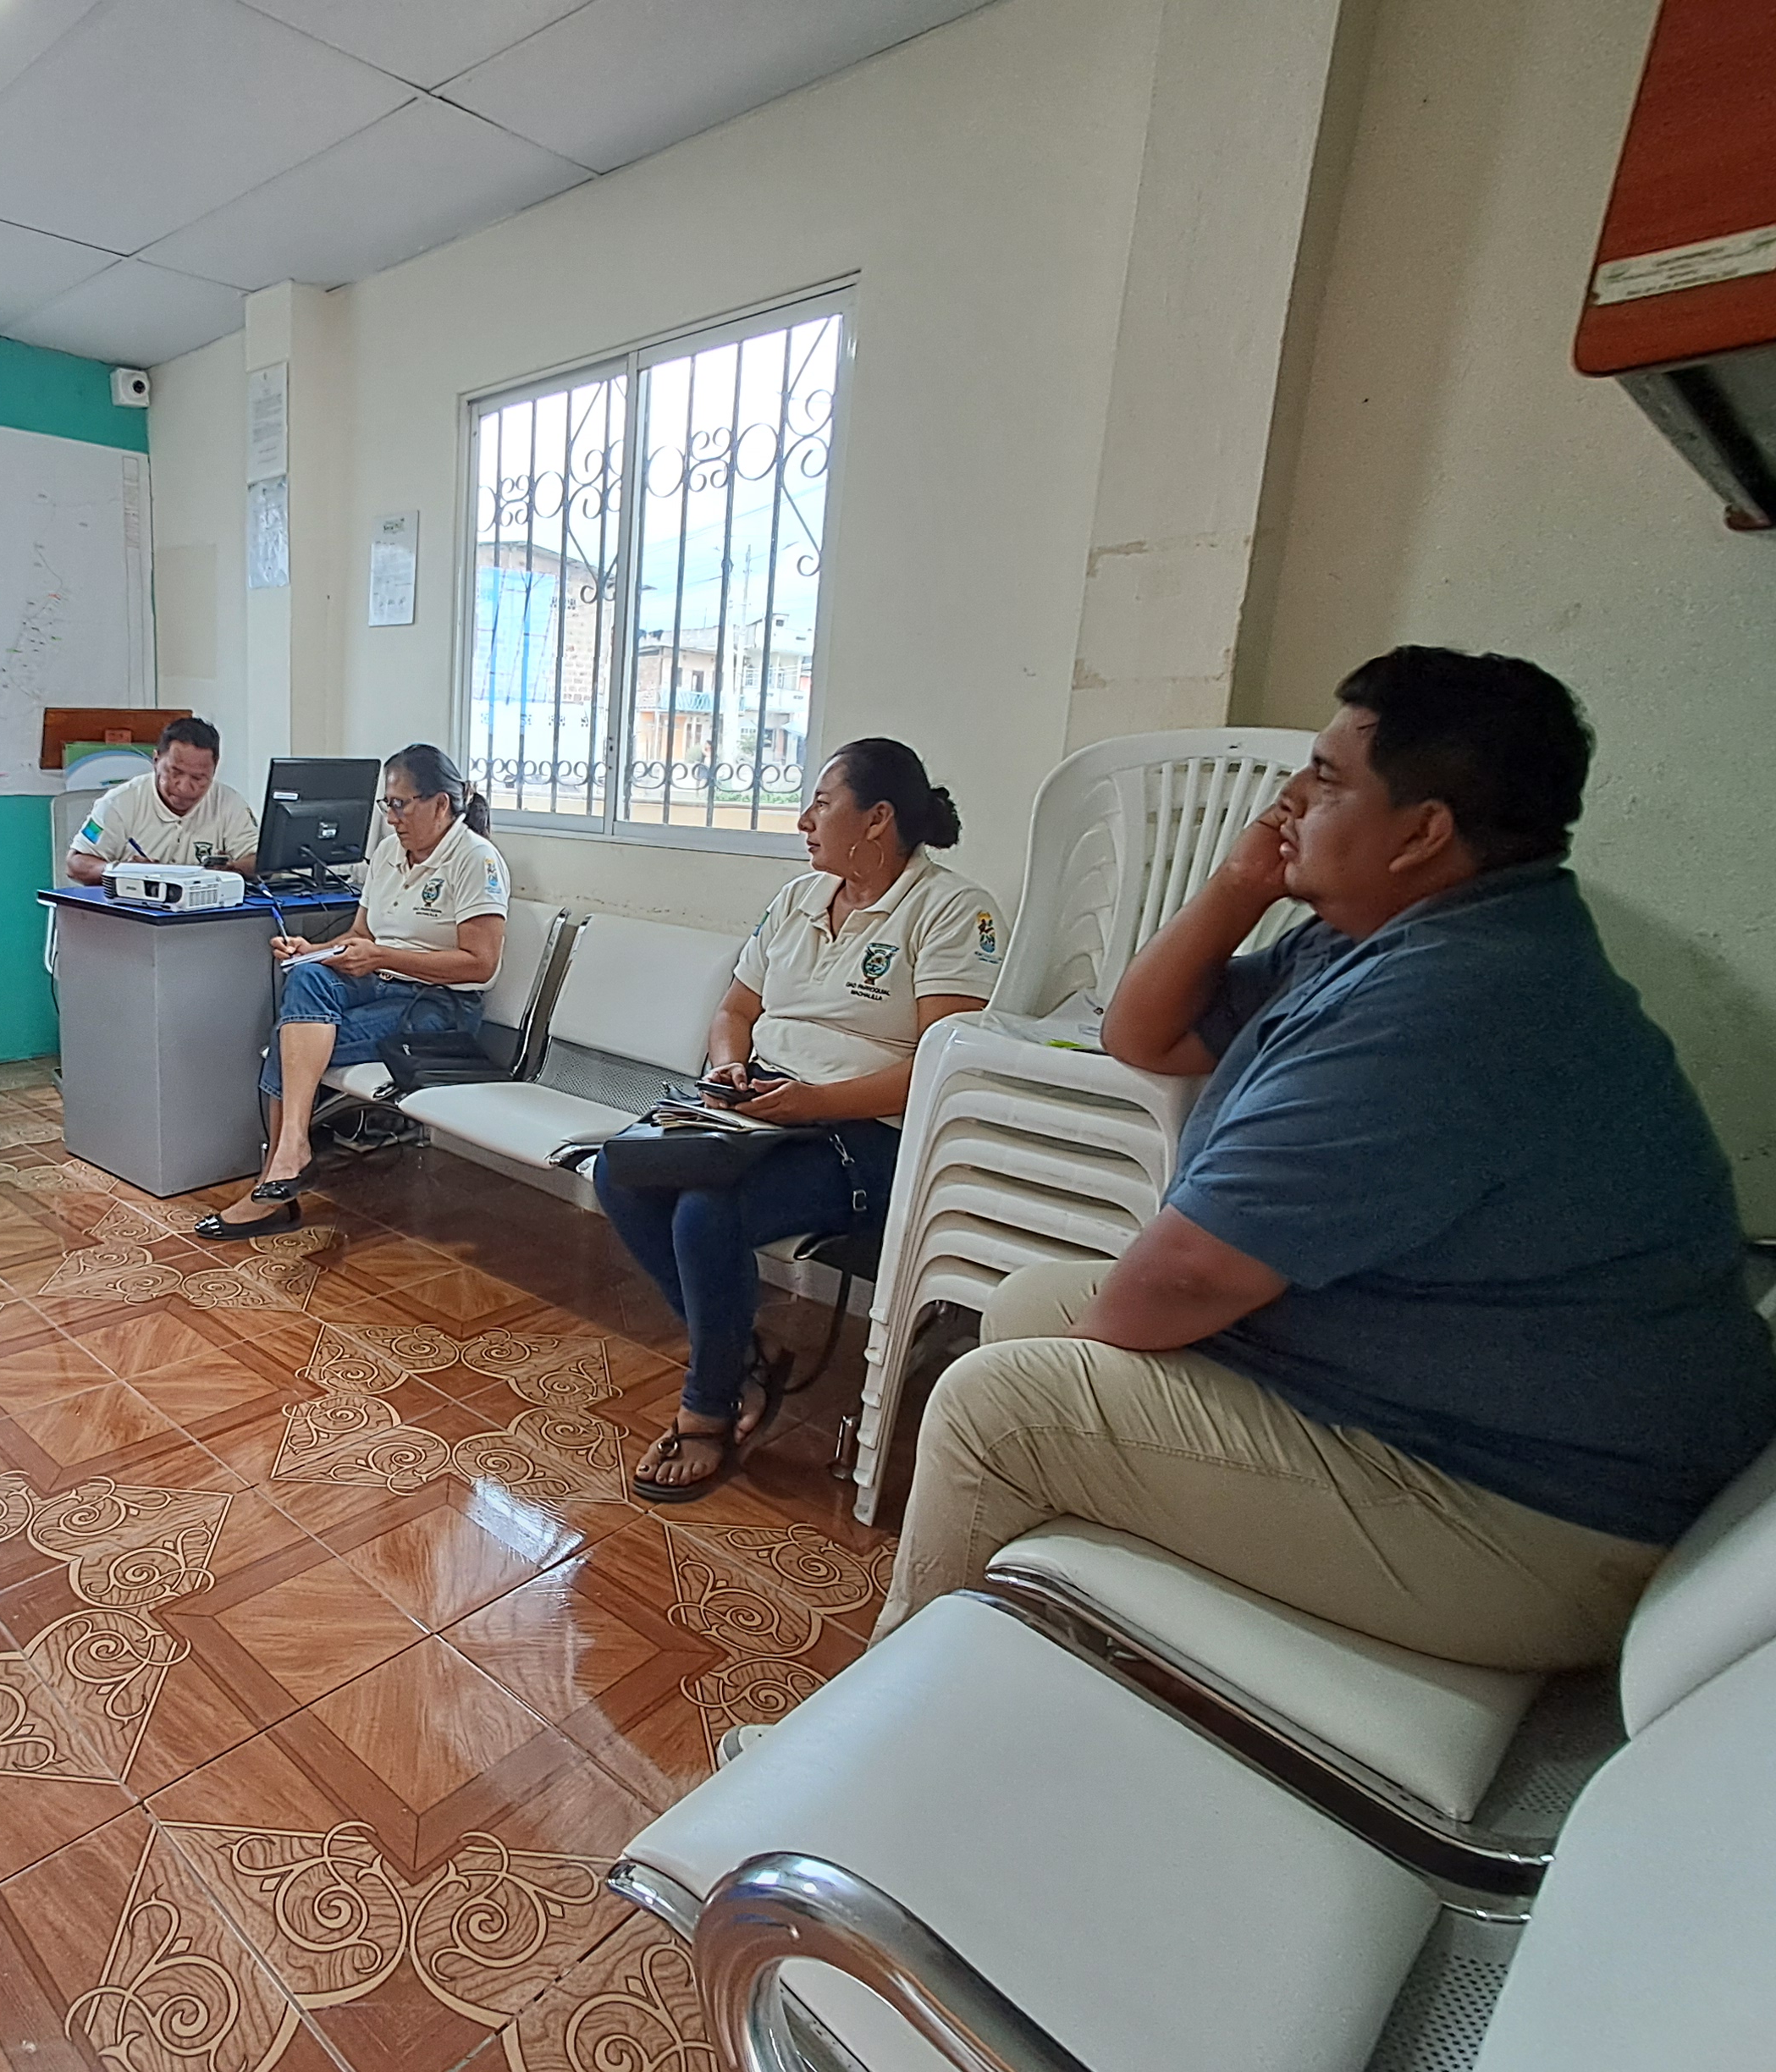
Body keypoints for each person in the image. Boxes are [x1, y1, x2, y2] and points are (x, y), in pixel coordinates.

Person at [874, 648, 1776, 1669]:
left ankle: (888, 1722)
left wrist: (1087, 1382)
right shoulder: (1382, 936)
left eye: (1327, 780)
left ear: (1423, 833)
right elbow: (1143, 1035)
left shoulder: (1453, 1000)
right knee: (1030, 1304)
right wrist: (1238, 883)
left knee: (997, 1410)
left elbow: (1189, 1275)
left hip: (1536, 1517)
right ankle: (1033, 1648)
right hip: (1422, 1397)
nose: (1290, 800)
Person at [599, 741, 1003, 1502]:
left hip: (868, 1135)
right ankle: (741, 1359)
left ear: (877, 818)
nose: (803, 822)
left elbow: (941, 1064)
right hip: (763, 1108)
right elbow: (735, 1012)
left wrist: (812, 1103)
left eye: (821, 804)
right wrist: (729, 1068)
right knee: (618, 1173)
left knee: (705, 1214)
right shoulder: (797, 900)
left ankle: (710, 1407)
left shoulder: (952, 910)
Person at [196, 744, 507, 1241]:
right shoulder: (388, 853)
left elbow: (479, 963)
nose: (391, 818)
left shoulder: (475, 859)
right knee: (307, 977)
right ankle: (291, 1154)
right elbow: (361, 935)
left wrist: (383, 958)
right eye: (387, 804)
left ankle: (278, 1179)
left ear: (440, 804)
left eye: (400, 805)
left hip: (441, 1007)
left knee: (289, 1041)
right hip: (381, 986)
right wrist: (314, 951)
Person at [65, 714, 260, 884]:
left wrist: (231, 870)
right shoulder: (119, 803)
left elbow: (258, 859)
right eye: (175, 772)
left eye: (198, 778)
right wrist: (123, 871)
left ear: (214, 770)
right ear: (156, 761)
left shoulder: (228, 803)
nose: (184, 787)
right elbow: (75, 864)